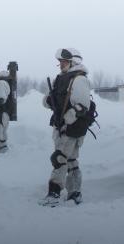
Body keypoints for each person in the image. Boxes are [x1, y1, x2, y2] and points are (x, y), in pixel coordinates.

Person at [40, 48, 92, 206]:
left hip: (72, 127)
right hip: (60, 125)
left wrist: (69, 119)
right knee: (70, 160)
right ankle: (75, 192)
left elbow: (82, 105)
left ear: (73, 62)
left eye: (64, 61)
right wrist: (48, 101)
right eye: (60, 62)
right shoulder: (62, 78)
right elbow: (54, 99)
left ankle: (54, 192)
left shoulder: (79, 79)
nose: (61, 64)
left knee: (60, 158)